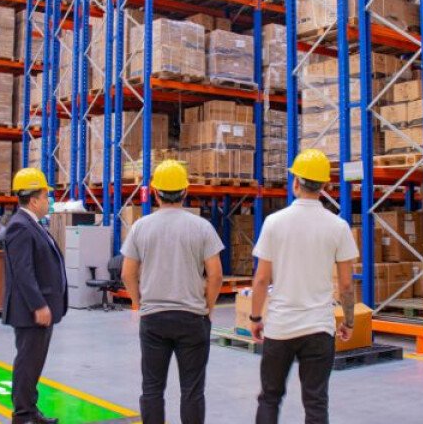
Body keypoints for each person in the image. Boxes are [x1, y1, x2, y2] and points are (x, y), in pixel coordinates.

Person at [249, 149, 359, 424]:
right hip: (319, 329)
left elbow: (261, 279)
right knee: (316, 401)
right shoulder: (338, 226)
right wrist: (348, 321)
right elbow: (346, 284)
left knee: (270, 397)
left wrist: (255, 317)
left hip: (281, 327)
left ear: (295, 182)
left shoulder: (274, 223)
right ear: (325, 186)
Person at [121, 159, 225, 424]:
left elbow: (127, 273)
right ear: (185, 191)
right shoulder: (202, 227)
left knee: (152, 388)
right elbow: (216, 275)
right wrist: (208, 307)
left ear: (155, 192)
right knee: (192, 390)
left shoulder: (141, 226)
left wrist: (138, 304)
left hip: (154, 318)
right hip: (192, 318)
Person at [2, 168, 68, 424]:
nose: (48, 201)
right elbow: (23, 272)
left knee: (33, 363)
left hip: (38, 310)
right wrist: (39, 305)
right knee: (27, 363)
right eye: (44, 196)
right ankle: (22, 415)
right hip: (30, 311)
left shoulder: (31, 224)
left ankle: (30, 410)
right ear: (33, 200)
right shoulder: (20, 227)